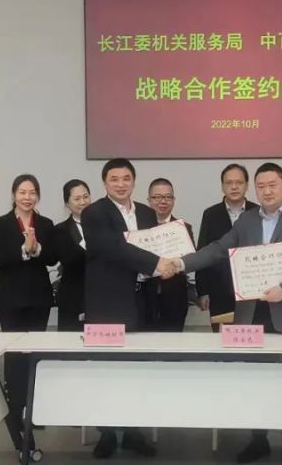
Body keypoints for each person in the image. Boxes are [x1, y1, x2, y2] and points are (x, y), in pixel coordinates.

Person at [173, 162, 282, 465]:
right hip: (252, 313)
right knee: (257, 381)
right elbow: (218, 248)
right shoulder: (246, 220)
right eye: (261, 186)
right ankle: (259, 440)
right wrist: (180, 263)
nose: (267, 191)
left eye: (272, 185)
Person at [81, 158, 173, 459]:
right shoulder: (94, 213)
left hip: (143, 301)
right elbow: (113, 248)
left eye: (126, 178)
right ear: (104, 183)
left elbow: (157, 245)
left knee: (138, 367)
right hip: (108, 303)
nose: (121, 184)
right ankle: (107, 433)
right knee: (106, 369)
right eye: (114, 179)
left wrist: (170, 261)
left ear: (134, 181)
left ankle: (134, 432)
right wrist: (156, 263)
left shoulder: (146, 213)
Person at [0, 174, 58, 455]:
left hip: (38, 296)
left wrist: (37, 248)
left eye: (32, 192)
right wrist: (23, 250)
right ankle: (15, 408)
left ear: (38, 196)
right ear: (13, 195)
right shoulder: (0, 224)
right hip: (10, 297)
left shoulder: (46, 224)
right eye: (22, 192)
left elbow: (53, 257)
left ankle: (33, 407)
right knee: (14, 353)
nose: (27, 197)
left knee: (35, 353)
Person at [195, 164, 258, 330]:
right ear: (222, 186)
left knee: (252, 336)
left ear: (247, 185)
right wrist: (203, 291)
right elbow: (203, 251)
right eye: (229, 183)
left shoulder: (258, 212)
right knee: (222, 338)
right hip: (219, 289)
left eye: (239, 182)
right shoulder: (211, 214)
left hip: (253, 289)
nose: (234, 187)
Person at [143, 178, 196, 332]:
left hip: (175, 298)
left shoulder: (184, 228)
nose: (163, 201)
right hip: (144, 298)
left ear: (173, 200)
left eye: (168, 197)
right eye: (157, 197)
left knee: (173, 341)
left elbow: (191, 262)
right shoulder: (139, 228)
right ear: (149, 200)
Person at [53, 179, 91, 331]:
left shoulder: (103, 225)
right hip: (72, 296)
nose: (83, 202)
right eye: (77, 199)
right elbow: (68, 259)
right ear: (67, 203)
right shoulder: (60, 230)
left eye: (86, 197)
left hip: (100, 295)